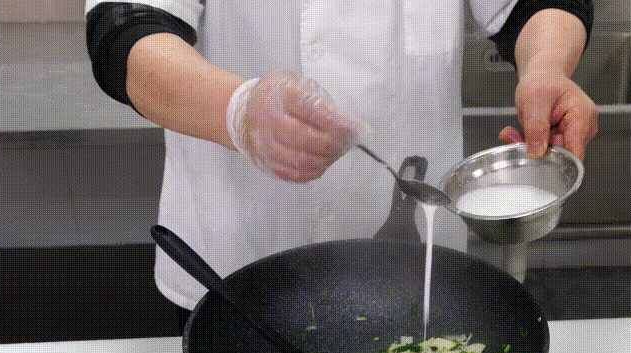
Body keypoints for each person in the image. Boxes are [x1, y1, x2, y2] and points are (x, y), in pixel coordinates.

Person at [85, 0, 598, 311]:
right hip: (240, 254)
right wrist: (237, 110)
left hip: (416, 265)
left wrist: (546, 66)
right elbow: (124, 30)